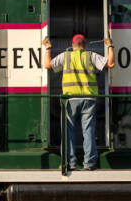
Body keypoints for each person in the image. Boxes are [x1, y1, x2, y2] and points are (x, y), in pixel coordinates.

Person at [43, 33, 115, 170]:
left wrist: (48, 48)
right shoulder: (91, 55)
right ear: (85, 45)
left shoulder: (66, 56)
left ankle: (69, 163)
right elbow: (111, 63)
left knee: (68, 131)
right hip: (89, 99)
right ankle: (89, 164)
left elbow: (47, 65)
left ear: (73, 45)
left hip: (70, 100)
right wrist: (110, 45)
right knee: (88, 131)